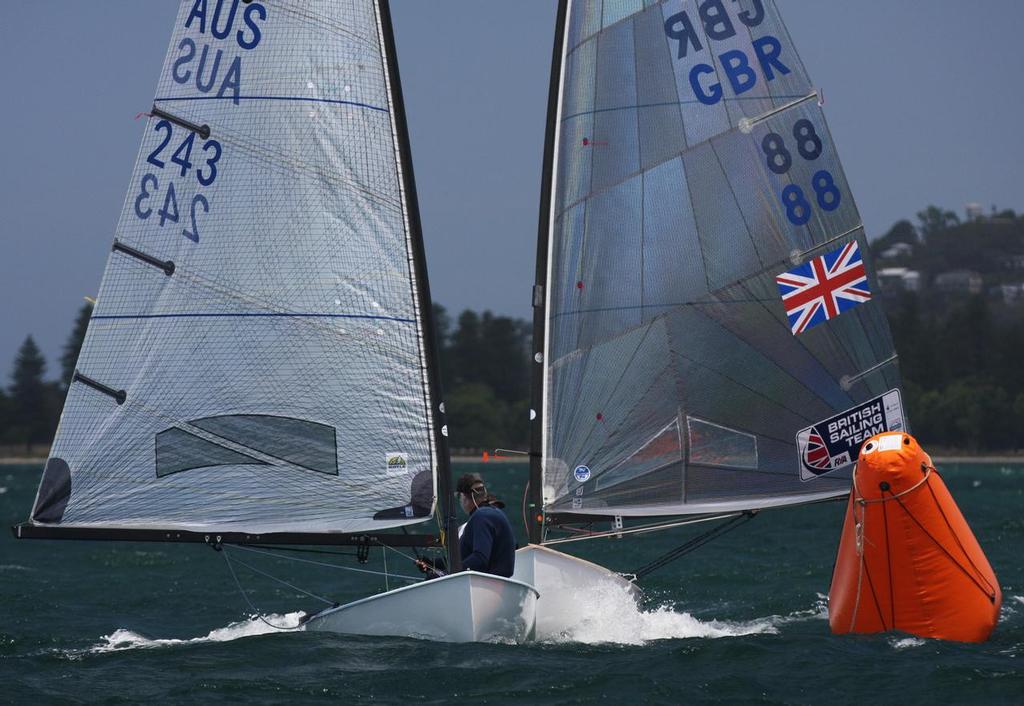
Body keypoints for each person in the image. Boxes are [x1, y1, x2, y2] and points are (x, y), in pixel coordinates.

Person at [414, 473, 515, 578]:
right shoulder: (493, 512)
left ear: (463, 496)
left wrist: (448, 573)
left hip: (487, 584)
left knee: (431, 578)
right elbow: (465, 559)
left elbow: (480, 558)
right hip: (494, 582)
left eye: (459, 496)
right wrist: (432, 564)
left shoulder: (481, 517)